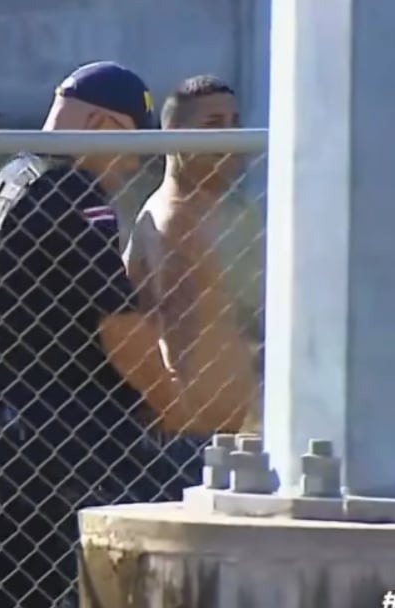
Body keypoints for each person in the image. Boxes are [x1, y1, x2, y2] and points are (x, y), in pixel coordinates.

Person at [0, 61, 248, 608]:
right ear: (98, 123)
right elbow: (118, 326)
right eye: (126, 145)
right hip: (62, 432)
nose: (126, 165)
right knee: (168, 540)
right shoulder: (74, 194)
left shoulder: (0, 182)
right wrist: (175, 410)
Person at [124, 75, 259, 464]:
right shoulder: (174, 221)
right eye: (214, 126)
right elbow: (170, 337)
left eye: (235, 124)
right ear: (174, 134)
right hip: (189, 446)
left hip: (224, 440)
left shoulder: (227, 214)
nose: (231, 139)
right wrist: (182, 418)